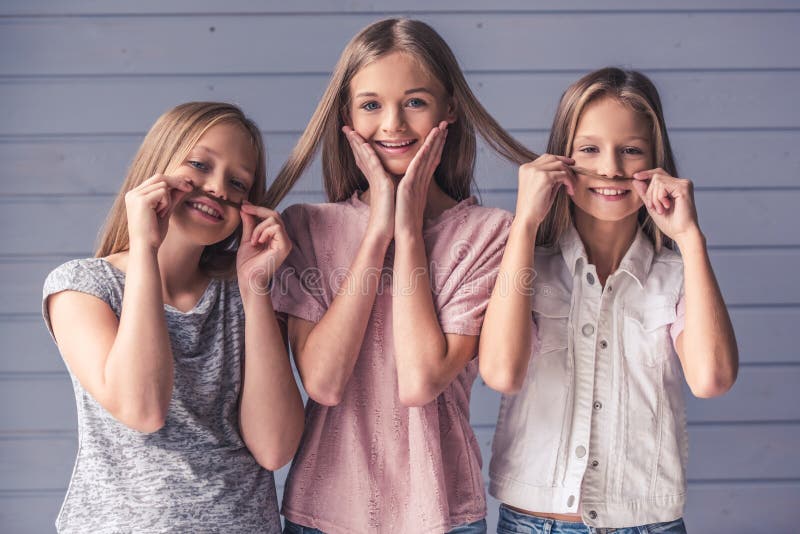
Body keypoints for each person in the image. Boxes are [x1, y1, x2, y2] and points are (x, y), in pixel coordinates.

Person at [264, 18, 537, 534]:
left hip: (442, 513)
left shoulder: (489, 235)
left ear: (448, 110)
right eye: (371, 105)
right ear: (345, 115)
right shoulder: (307, 229)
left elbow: (422, 379)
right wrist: (376, 235)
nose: (392, 124)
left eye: (414, 102)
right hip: (322, 514)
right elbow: (322, 382)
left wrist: (408, 230)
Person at [480, 68, 739, 533]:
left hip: (648, 523)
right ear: (561, 157)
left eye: (631, 150)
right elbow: (501, 371)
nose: (611, 169)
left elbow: (712, 379)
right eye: (590, 149)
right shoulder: (524, 265)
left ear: (657, 161)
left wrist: (690, 238)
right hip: (532, 523)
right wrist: (523, 223)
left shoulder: (677, 274)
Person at [42, 102, 304, 533]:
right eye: (200, 164)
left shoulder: (247, 296)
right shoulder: (82, 288)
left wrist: (255, 290)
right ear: (156, 165)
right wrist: (144, 248)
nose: (218, 188)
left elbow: (274, 449)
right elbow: (142, 408)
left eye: (238, 182)